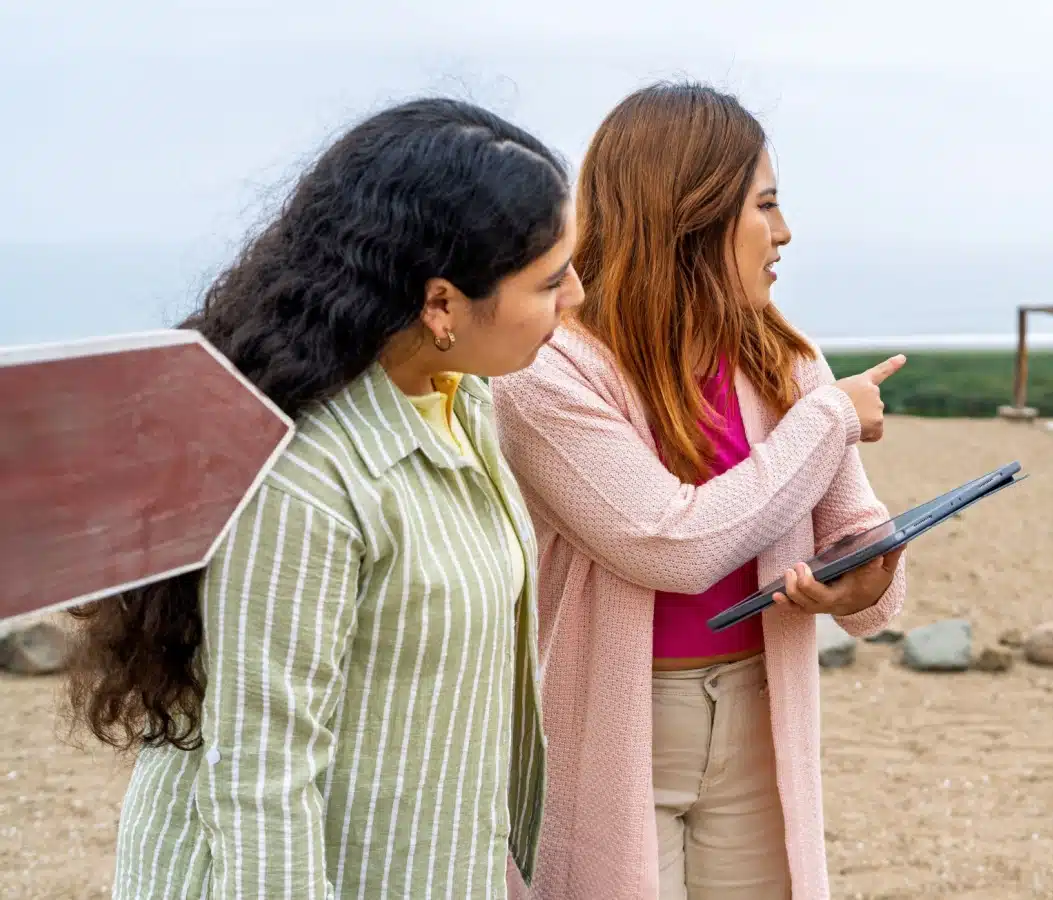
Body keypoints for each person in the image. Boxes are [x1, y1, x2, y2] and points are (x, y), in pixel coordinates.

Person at [67, 97, 584, 899]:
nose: (576, 296)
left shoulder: (459, 398)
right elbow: (260, 779)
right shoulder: (305, 477)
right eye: (550, 280)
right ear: (440, 304)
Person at [493, 81, 907, 899]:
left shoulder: (786, 359)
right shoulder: (549, 375)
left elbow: (857, 536)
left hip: (761, 710)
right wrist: (830, 419)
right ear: (692, 212)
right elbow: (668, 544)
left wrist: (864, 576)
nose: (784, 232)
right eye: (766, 205)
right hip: (614, 728)